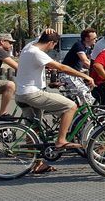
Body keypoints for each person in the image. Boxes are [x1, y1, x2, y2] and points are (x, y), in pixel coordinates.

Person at [14, 29, 95, 168]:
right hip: (33, 94)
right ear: (51, 43)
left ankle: (37, 164)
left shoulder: (28, 48)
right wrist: (85, 76)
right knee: (70, 106)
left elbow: (39, 39)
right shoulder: (37, 54)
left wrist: (46, 32)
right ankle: (61, 140)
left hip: (20, 94)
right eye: (54, 45)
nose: (53, 48)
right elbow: (62, 67)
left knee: (34, 129)